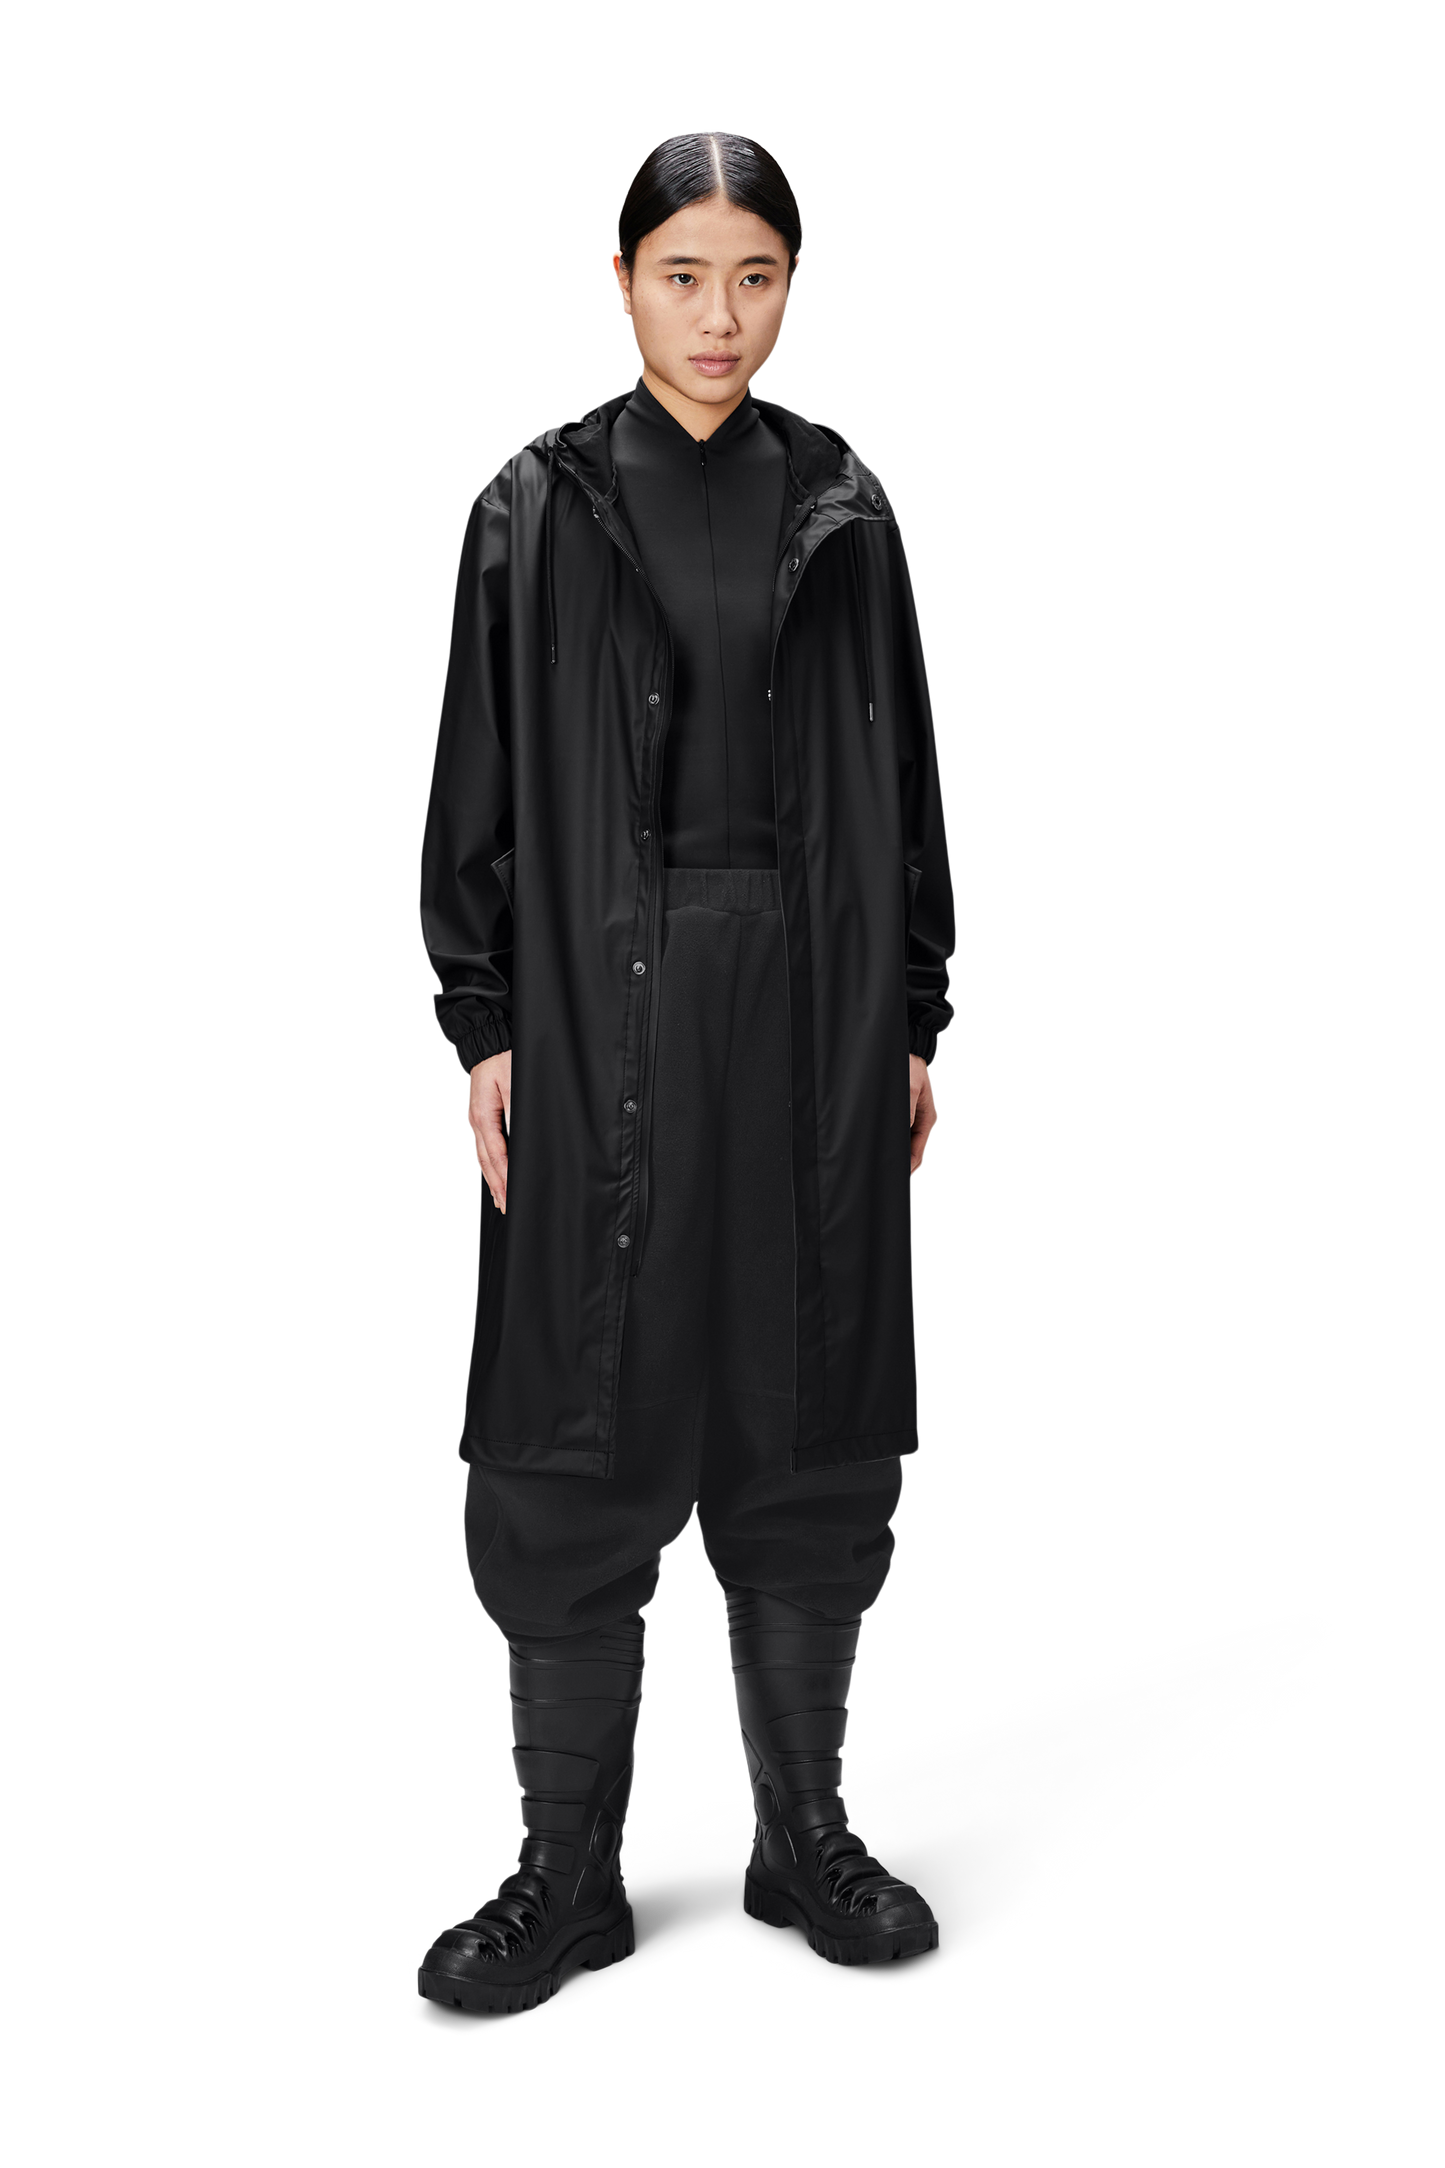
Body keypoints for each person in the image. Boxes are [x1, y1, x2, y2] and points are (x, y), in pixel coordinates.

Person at [414, 128, 957, 2015]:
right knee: (575, 1426)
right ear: (622, 281)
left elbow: (911, 791)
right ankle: (562, 1875)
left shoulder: (849, 502)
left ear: (792, 287)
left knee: (809, 1417)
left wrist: (913, 1017)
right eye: (683, 275)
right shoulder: (533, 504)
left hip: (813, 1024)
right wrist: (484, 1030)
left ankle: (806, 1838)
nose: (719, 317)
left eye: (757, 277)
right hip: (596, 1020)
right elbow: (470, 795)